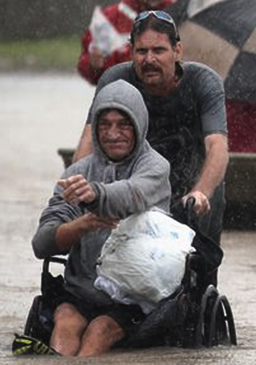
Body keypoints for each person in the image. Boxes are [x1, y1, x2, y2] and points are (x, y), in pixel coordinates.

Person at [32, 81, 171, 357]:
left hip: (135, 295)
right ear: (94, 129)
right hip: (81, 291)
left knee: (99, 330)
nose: (113, 134)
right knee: (66, 324)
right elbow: (42, 243)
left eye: (123, 124)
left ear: (139, 125)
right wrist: (79, 227)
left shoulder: (155, 167)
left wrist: (96, 194)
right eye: (104, 125)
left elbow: (133, 194)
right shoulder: (76, 173)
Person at [72, 11, 229, 245]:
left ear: (177, 51)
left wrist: (201, 193)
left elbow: (217, 146)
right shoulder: (116, 79)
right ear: (131, 52)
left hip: (190, 187)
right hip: (133, 185)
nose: (149, 60)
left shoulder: (203, 82)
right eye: (141, 51)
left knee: (198, 252)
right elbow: (89, 140)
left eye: (158, 51)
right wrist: (78, 188)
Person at [77, 0, 175, 85]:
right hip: (122, 97)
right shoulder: (109, 19)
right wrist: (94, 65)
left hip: (169, 100)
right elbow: (87, 68)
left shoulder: (182, 17)